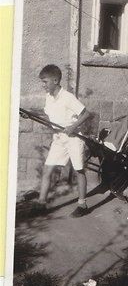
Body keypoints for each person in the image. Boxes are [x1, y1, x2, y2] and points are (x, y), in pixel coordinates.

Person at [36, 64, 90, 217]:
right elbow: (46, 113)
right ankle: (41, 204)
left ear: (55, 80)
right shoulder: (49, 97)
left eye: (45, 82)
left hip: (74, 138)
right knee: (48, 169)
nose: (43, 85)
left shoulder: (67, 97)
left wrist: (73, 127)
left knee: (79, 170)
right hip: (59, 138)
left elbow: (86, 114)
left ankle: (82, 204)